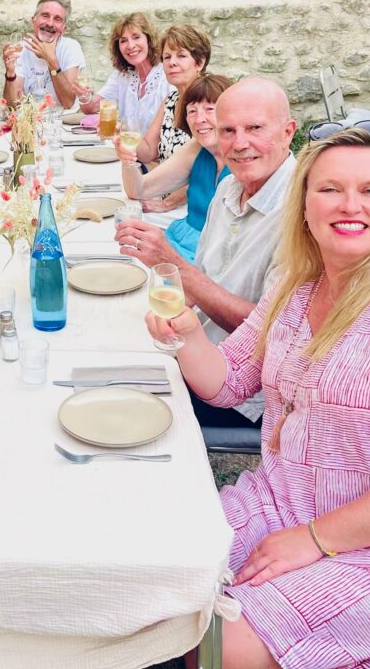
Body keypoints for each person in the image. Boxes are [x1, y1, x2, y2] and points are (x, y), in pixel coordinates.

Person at [150, 129, 370, 669]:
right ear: (304, 208)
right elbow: (228, 381)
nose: (350, 206)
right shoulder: (297, 289)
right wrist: (185, 334)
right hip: (278, 500)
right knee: (161, 568)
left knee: (224, 645)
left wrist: (316, 539)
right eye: (330, 189)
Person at [115, 78, 297, 427]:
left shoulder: (302, 211)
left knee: (118, 406)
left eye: (254, 128)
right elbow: (198, 285)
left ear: (288, 131)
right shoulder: (230, 186)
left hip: (243, 391)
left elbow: (270, 331)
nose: (239, 143)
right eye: (227, 130)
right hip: (195, 348)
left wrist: (173, 265)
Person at [115, 74, 232, 262]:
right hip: (185, 240)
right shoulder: (196, 148)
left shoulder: (245, 159)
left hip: (219, 254)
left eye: (209, 109)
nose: (199, 119)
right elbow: (138, 190)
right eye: (192, 111)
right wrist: (127, 159)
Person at [134, 24, 212, 228]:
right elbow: (147, 152)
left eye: (181, 56)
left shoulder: (210, 102)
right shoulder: (171, 100)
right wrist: (122, 137)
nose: (172, 63)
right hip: (164, 199)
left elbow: (209, 170)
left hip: (195, 208)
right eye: (167, 57)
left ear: (200, 62)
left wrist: (168, 203)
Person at [73, 12, 172, 135]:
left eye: (136, 37)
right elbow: (92, 107)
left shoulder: (167, 76)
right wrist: (83, 96)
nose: (130, 46)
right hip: (127, 148)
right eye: (123, 41)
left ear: (149, 39)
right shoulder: (122, 75)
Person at [2, 0, 86, 110]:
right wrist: (10, 74)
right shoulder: (20, 48)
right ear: (33, 21)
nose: (50, 23)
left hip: (64, 123)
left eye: (57, 19)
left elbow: (68, 103)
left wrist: (51, 60)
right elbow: (13, 106)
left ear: (64, 29)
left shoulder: (70, 47)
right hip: (32, 122)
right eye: (45, 16)